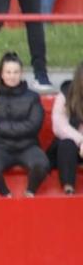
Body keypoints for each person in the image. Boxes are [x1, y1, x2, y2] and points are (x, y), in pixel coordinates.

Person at [0, 53, 50, 197]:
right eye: (8, 72)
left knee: (42, 164)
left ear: (21, 73)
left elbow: (33, 126)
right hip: (1, 148)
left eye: (16, 72)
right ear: (1, 73)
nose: (12, 76)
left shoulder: (32, 97)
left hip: (28, 146)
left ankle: (30, 192)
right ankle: (6, 195)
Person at [52, 67, 83, 196]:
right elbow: (59, 125)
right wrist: (81, 141)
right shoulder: (65, 94)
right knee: (67, 144)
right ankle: (68, 186)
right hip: (66, 148)